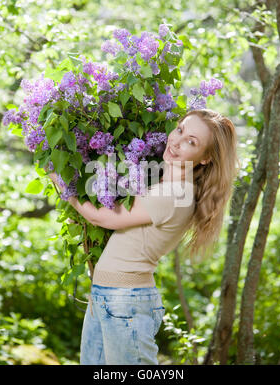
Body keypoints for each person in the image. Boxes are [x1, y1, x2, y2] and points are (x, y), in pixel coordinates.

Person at [47, 108, 239, 365]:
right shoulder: (161, 182)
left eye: (191, 142)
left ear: (205, 158)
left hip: (125, 302)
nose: (177, 141)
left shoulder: (176, 193)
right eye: (180, 130)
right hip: (107, 296)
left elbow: (105, 218)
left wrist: (62, 185)